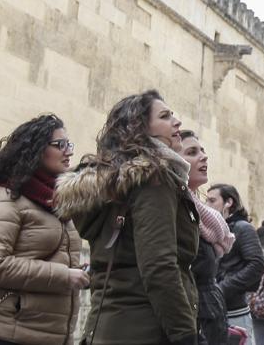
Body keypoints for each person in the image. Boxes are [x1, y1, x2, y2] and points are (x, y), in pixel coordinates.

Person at [56, 90, 199, 345]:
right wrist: (185, 335)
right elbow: (159, 267)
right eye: (165, 116)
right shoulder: (155, 178)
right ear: (140, 129)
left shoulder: (116, 185)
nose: (177, 122)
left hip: (106, 326)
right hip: (146, 329)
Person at [0, 115, 85, 345]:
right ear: (36, 149)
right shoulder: (4, 197)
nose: (68, 152)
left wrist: (79, 271)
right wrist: (64, 276)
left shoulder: (57, 202)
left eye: (68, 145)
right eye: (60, 145)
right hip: (9, 336)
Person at [178, 130, 235, 345]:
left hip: (210, 312)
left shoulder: (201, 213)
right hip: (196, 317)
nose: (203, 156)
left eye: (202, 150)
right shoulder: (181, 210)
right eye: (192, 152)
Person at [206, 183, 264, 336]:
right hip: (213, 308)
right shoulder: (213, 229)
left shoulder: (242, 228)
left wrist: (222, 288)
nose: (207, 205)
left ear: (229, 203)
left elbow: (257, 265)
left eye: (212, 201)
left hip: (234, 311)